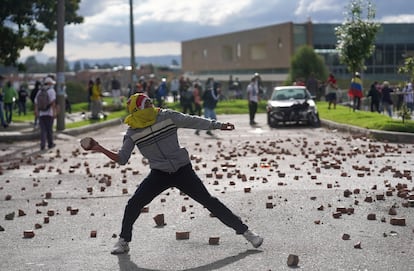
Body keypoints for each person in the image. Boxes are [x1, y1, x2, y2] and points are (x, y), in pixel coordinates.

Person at [81, 93, 264, 255]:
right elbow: (122, 159)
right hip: (159, 174)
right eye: (145, 105)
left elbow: (192, 120)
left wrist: (217, 125)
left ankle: (248, 233)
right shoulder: (132, 132)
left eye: (150, 103)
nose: (150, 107)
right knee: (133, 204)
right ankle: (124, 241)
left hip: (183, 170)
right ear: (136, 110)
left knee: (209, 202)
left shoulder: (166, 116)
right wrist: (99, 148)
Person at [35, 77, 56, 150]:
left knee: (43, 130)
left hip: (41, 113)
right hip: (49, 113)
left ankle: (42, 145)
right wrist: (54, 112)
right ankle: (50, 144)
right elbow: (53, 102)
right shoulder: (51, 91)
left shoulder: (40, 91)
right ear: (50, 83)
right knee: (49, 130)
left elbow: (36, 102)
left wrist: (36, 111)